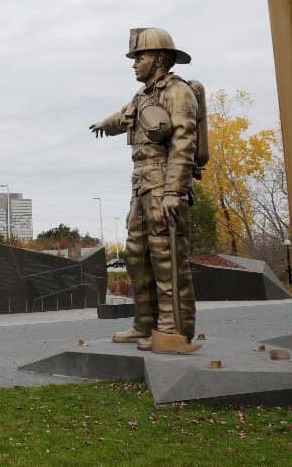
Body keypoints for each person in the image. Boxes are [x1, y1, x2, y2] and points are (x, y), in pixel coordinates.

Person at [89, 27, 201, 354]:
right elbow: (121, 117)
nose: (134, 64)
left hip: (164, 185)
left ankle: (171, 329)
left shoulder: (177, 93)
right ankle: (144, 323)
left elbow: (184, 143)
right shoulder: (143, 96)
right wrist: (102, 125)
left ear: (160, 59)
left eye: (140, 57)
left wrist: (172, 192)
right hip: (141, 188)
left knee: (166, 257)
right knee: (136, 256)